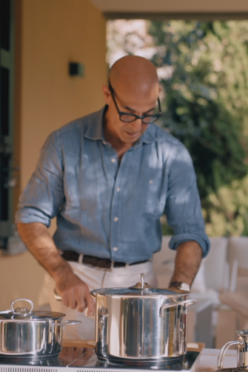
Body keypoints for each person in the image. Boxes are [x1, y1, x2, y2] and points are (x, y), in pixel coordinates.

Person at [16, 55, 209, 340]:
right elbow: (30, 217)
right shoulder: (64, 143)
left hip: (139, 284)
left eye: (148, 114)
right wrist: (62, 274)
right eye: (129, 113)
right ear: (107, 94)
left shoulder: (172, 154)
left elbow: (191, 232)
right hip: (74, 281)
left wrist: (178, 291)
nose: (138, 125)